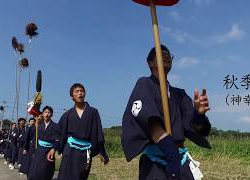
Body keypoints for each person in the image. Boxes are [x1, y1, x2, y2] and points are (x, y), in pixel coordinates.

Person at [121, 45, 212, 180]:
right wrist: (170, 153)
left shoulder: (179, 94)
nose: (166, 56)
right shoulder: (144, 84)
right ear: (150, 62)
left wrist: (199, 115)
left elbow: (193, 127)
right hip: (156, 163)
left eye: (168, 55)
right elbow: (147, 118)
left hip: (180, 160)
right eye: (161, 54)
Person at [58, 83, 109, 180]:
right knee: (65, 176)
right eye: (76, 91)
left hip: (85, 153)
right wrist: (57, 149)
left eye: (82, 91)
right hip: (69, 151)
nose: (80, 93)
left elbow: (98, 132)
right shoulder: (67, 115)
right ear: (71, 96)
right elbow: (59, 132)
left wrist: (102, 152)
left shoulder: (93, 112)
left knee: (81, 176)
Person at [28, 106, 61, 180]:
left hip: (48, 151)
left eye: (49, 112)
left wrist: (53, 149)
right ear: (42, 114)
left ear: (51, 114)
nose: (47, 114)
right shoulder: (39, 126)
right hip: (39, 151)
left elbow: (57, 140)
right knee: (35, 171)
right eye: (45, 112)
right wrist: (33, 150)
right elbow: (34, 140)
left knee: (46, 171)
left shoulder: (55, 126)